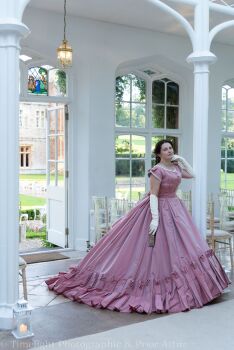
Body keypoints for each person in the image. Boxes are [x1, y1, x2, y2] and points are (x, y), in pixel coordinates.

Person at [45, 139, 231, 314]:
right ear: (159, 153)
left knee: (182, 245)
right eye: (165, 149)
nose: (170, 151)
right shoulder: (157, 171)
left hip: (176, 208)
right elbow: (154, 195)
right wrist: (155, 218)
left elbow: (193, 174)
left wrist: (181, 160)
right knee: (155, 248)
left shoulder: (175, 167)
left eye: (171, 148)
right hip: (159, 208)